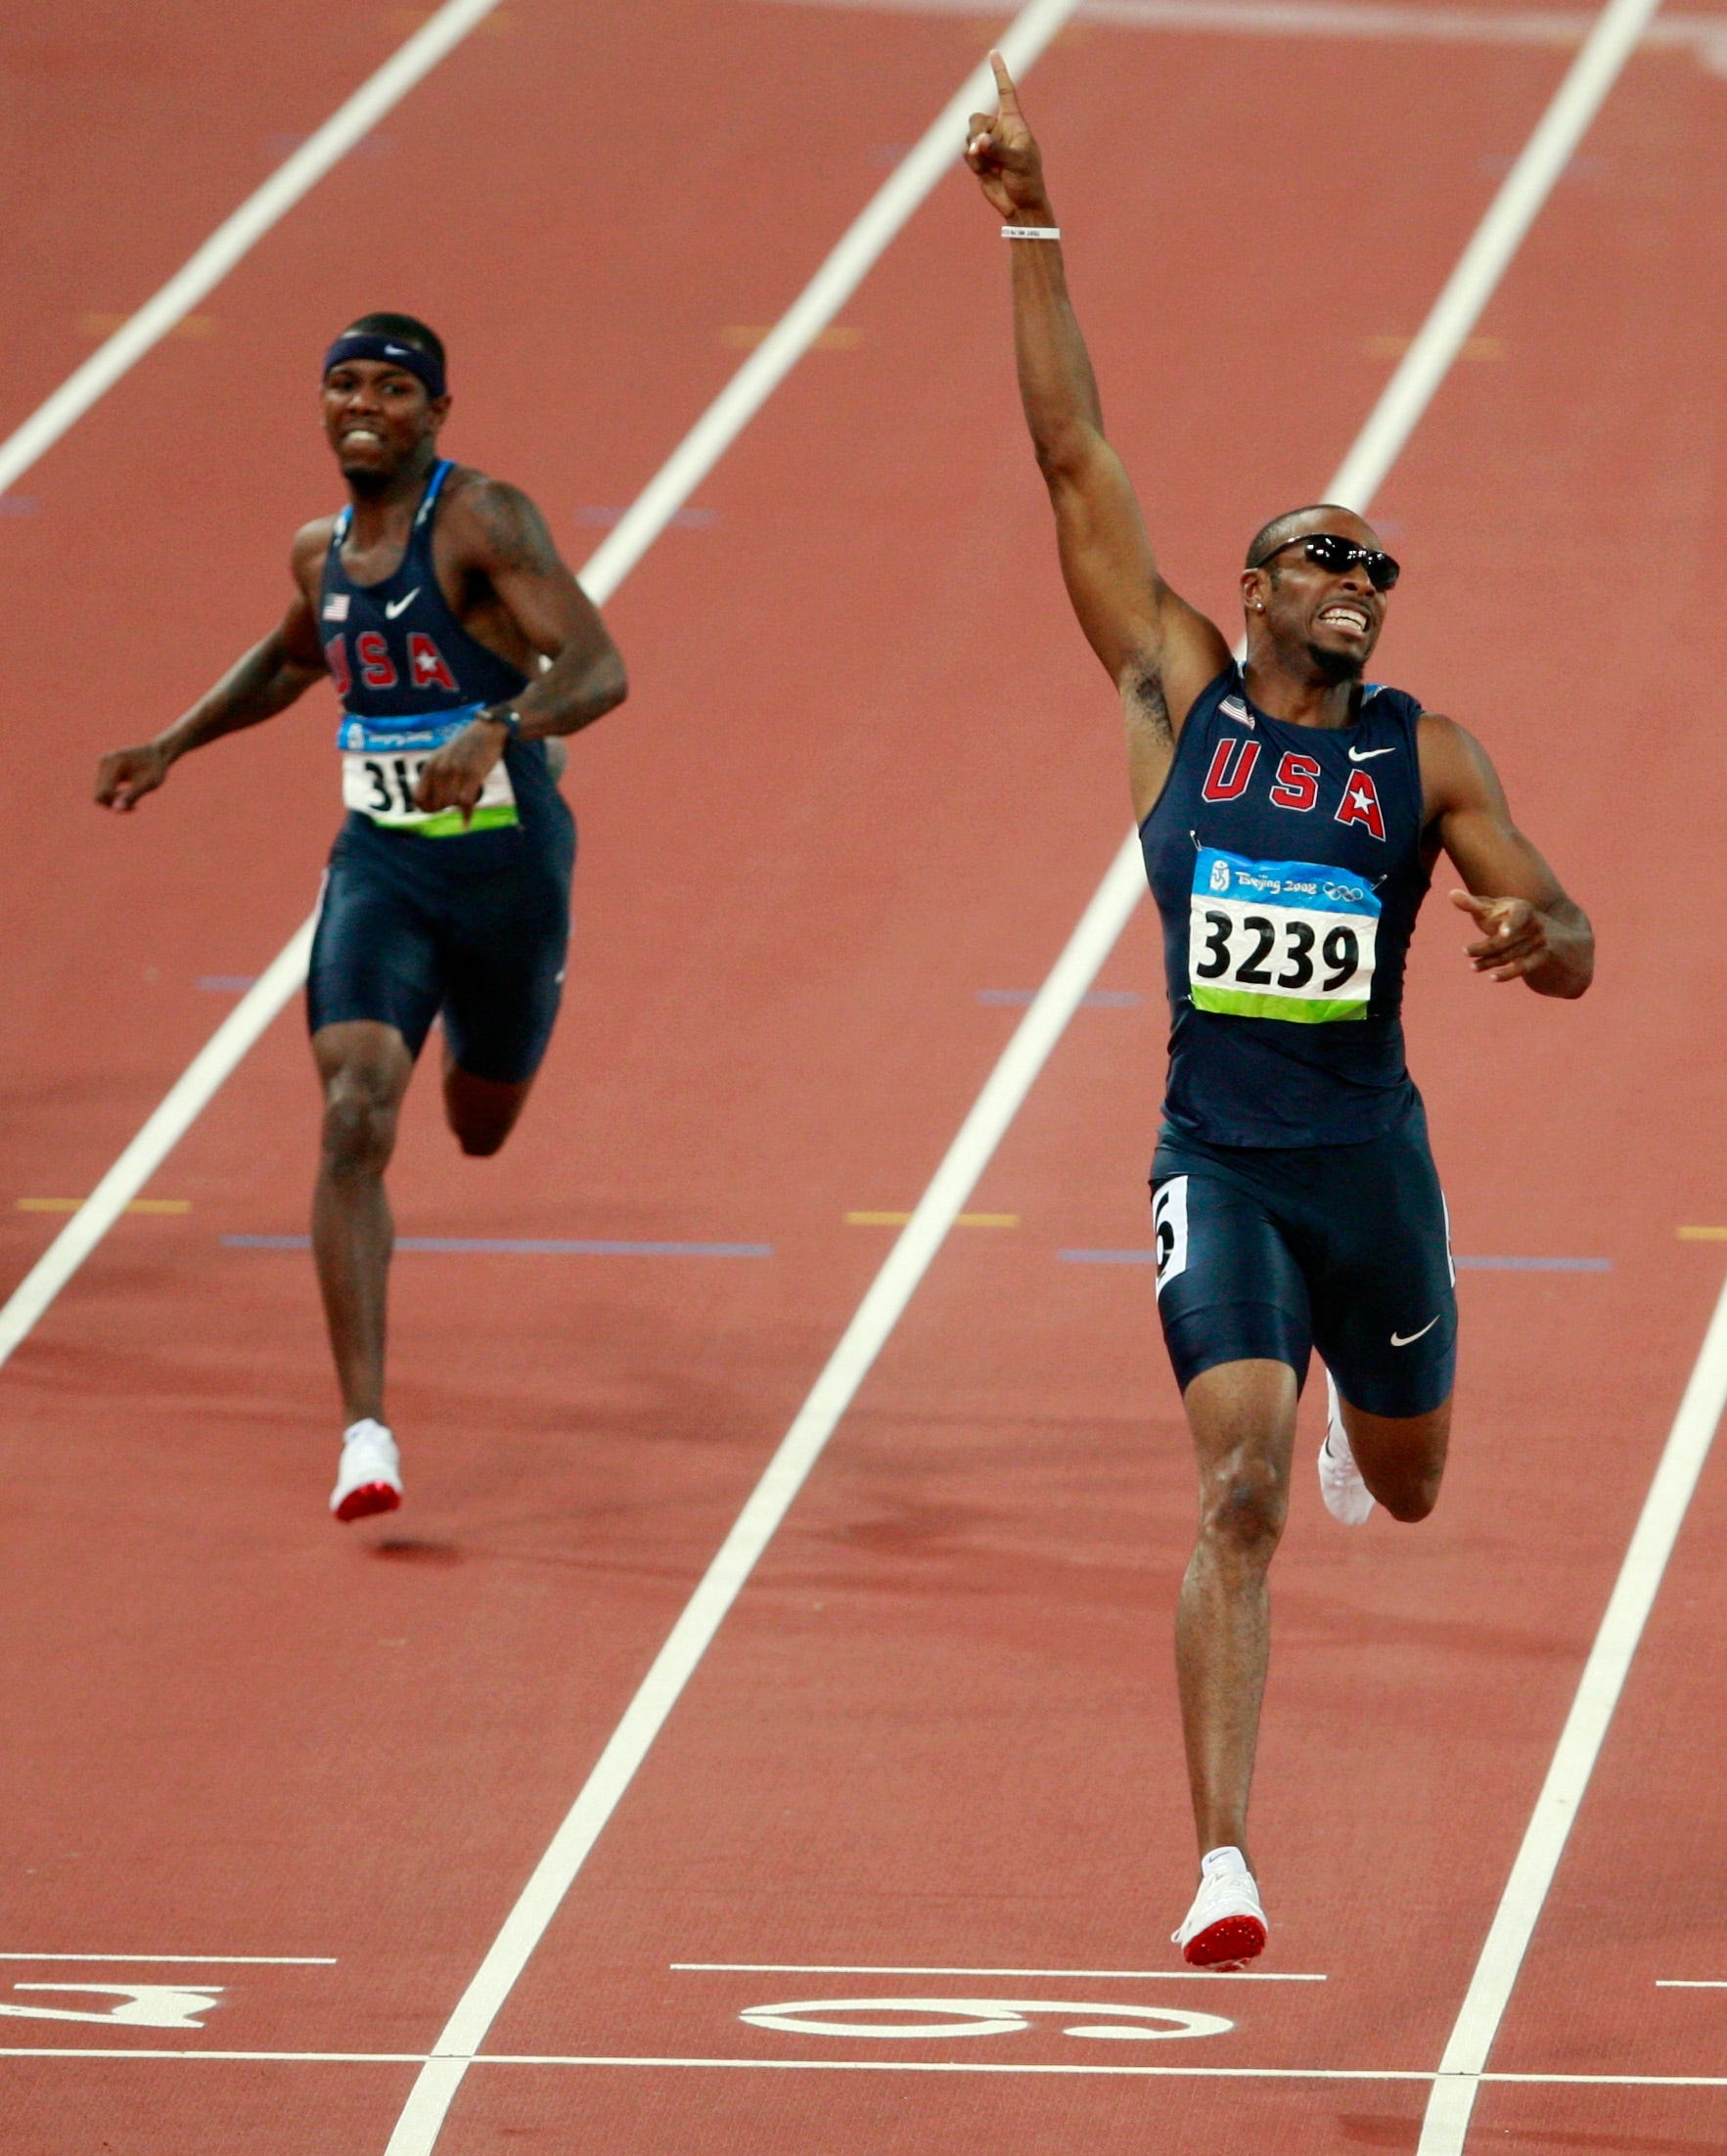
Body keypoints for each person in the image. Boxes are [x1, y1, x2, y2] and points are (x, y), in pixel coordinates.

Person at [965, 61, 1592, 1967]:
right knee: (1234, 1487)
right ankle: (1223, 1860)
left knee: (1400, 1490)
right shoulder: (1179, 698)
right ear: (1249, 590)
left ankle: (1371, 1403)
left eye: (1383, 569)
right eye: (1332, 557)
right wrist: (1030, 220)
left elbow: (1570, 934)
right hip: (1216, 1163)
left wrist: (1531, 934)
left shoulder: (1425, 755)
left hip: (1369, 1166)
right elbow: (1075, 455)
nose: (1366, 584)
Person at [96, 313, 627, 1524]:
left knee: (478, 1124)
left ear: (435, 413)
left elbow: (598, 667)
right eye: (345, 383)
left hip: (509, 873)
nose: (365, 404)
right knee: (351, 1116)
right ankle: (366, 1433)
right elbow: (292, 662)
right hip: (381, 870)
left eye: (394, 387)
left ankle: (488, 1035)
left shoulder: (484, 518)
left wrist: (504, 724)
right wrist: (172, 742)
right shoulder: (317, 552)